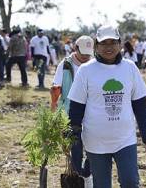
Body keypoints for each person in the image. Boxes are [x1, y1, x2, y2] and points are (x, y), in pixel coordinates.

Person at [68, 25, 146, 188]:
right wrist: (73, 139)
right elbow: (76, 108)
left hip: (125, 139)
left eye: (112, 42)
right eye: (104, 43)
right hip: (95, 141)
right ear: (96, 45)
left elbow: (140, 105)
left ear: (120, 44)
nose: (108, 47)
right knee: (101, 185)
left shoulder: (130, 68)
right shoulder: (86, 71)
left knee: (130, 182)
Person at [51, 35, 94, 183]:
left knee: (92, 146)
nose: (86, 57)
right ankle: (78, 176)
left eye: (89, 54)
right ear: (75, 49)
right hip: (69, 111)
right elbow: (56, 88)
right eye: (83, 53)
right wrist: (54, 108)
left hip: (91, 112)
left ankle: (88, 174)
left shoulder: (94, 64)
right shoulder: (65, 64)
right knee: (75, 146)